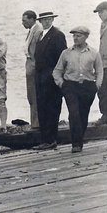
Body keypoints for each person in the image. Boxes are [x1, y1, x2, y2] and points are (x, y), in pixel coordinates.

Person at [53, 27, 103, 153]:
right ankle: (76, 143)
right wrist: (61, 84)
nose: (75, 38)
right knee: (73, 113)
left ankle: (79, 139)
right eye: (74, 36)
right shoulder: (66, 53)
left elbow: (99, 71)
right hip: (70, 86)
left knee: (83, 114)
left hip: (87, 87)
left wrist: (96, 85)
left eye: (78, 36)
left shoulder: (94, 53)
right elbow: (57, 70)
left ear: (86, 37)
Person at [33, 11, 67, 149]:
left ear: (52, 19)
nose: (47, 22)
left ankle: (51, 139)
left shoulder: (57, 35)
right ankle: (45, 139)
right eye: (44, 20)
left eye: (49, 19)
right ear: (40, 21)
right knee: (42, 107)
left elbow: (62, 57)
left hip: (51, 75)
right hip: (40, 76)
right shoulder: (40, 35)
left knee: (52, 107)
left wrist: (57, 76)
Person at [22, 9, 42, 130]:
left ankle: (36, 123)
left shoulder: (38, 31)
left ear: (32, 19)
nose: (22, 23)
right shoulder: (31, 31)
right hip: (30, 65)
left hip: (34, 66)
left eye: (24, 20)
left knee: (34, 95)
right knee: (31, 96)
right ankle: (34, 122)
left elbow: (38, 51)